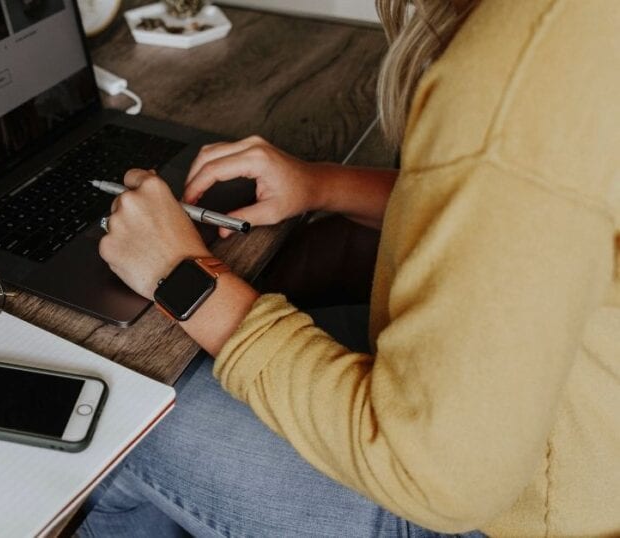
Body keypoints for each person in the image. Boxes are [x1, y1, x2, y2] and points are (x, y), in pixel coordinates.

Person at [80, 0, 619, 536]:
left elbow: (437, 480)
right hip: (569, 436)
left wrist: (179, 273)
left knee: (120, 409)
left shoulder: (519, 70)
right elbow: (528, 216)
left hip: (503, 511)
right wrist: (321, 184)